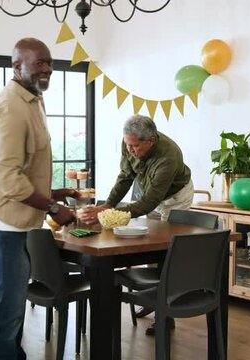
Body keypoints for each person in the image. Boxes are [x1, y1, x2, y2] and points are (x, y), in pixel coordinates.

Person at [0, 37, 78, 360]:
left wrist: (57, 193)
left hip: (23, 222)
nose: (48, 69)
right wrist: (54, 207)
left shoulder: (32, 100)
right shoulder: (10, 108)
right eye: (39, 63)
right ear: (17, 66)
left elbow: (24, 169)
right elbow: (6, 178)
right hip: (8, 225)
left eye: (49, 62)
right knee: (10, 308)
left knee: (14, 306)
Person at [79, 114, 194, 335]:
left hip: (175, 196)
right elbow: (125, 176)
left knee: (167, 249)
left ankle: (166, 314)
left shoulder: (168, 156)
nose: (130, 150)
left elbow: (150, 202)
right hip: (149, 192)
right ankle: (152, 300)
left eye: (135, 146)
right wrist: (108, 204)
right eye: (127, 144)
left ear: (150, 140)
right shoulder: (130, 142)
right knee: (150, 243)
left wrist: (110, 212)